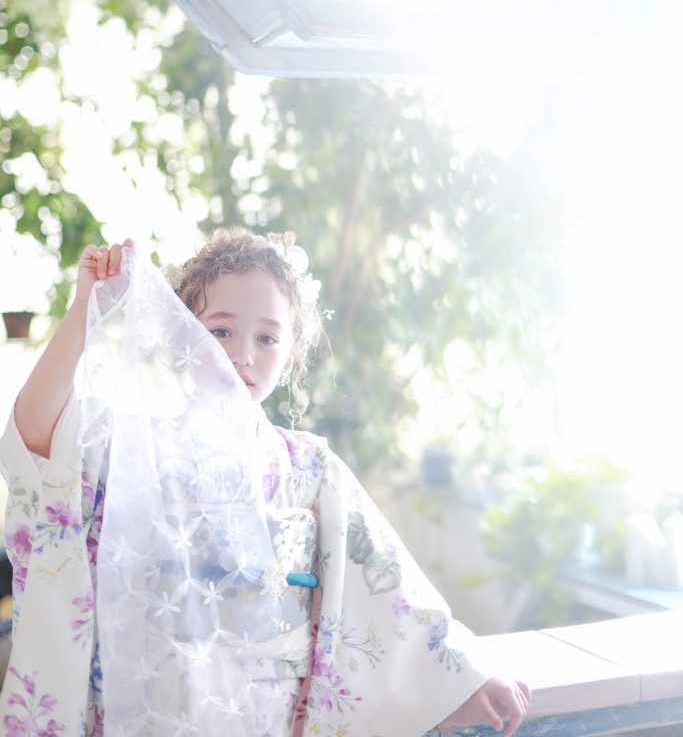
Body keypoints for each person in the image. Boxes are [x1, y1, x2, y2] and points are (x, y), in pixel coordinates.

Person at [1, 230, 531, 737]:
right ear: (179, 335)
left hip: (269, 710)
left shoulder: (307, 466)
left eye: (267, 337)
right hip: (154, 697)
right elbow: (35, 438)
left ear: (293, 353)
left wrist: (460, 674)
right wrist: (84, 309)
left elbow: (383, 577)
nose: (243, 354)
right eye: (220, 331)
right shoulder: (134, 448)